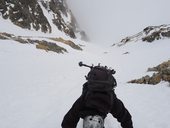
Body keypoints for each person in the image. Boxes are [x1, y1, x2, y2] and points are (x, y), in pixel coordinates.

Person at [61, 62, 133, 128]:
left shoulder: (84, 97)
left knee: (79, 104)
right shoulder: (111, 99)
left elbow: (70, 116)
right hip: (105, 107)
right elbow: (125, 116)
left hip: (86, 105)